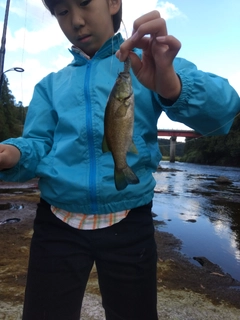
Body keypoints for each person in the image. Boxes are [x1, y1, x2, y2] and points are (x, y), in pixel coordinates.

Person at [0, 1, 239, 319]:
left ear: (113, 2)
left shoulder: (149, 63)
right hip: (56, 224)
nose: (77, 21)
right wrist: (12, 154)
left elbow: (224, 112)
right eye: (62, 11)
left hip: (130, 224)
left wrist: (170, 83)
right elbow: (38, 144)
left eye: (85, 2)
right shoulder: (50, 86)